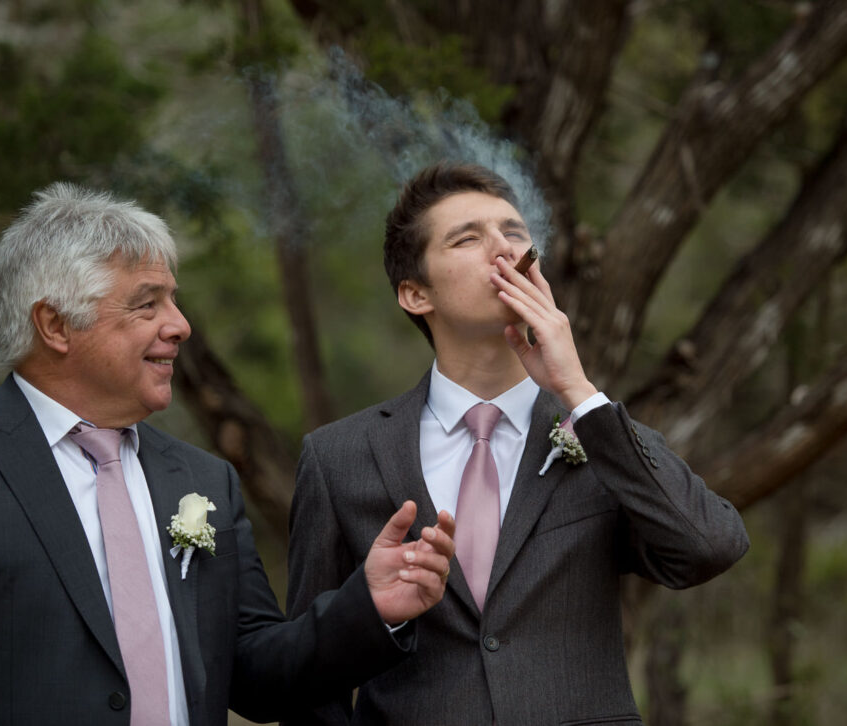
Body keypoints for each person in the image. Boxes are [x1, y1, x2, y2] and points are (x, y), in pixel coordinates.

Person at [0, 183, 456, 726]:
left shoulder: (203, 480)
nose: (181, 325)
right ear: (55, 325)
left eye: (174, 300)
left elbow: (258, 677)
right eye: (147, 304)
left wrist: (369, 607)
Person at [284, 162, 750, 725]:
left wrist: (577, 389)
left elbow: (709, 547)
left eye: (514, 232)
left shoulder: (595, 434)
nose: (503, 249)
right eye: (467, 238)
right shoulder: (339, 457)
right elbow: (310, 676)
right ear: (414, 294)